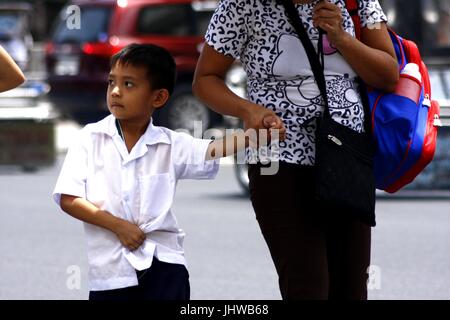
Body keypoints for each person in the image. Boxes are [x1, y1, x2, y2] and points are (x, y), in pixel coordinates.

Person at [193, 0, 399, 300]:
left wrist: (341, 37)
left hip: (347, 156)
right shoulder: (241, 5)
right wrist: (247, 110)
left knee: (351, 287)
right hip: (277, 159)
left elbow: (388, 74)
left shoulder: (356, 2)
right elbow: (205, 79)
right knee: (307, 285)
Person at [52, 43, 278, 300]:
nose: (115, 92)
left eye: (128, 85)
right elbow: (69, 198)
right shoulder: (89, 139)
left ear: (158, 98)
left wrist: (255, 135)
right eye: (111, 82)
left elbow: (211, 149)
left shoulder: (170, 143)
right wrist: (117, 226)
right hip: (112, 273)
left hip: (165, 265)